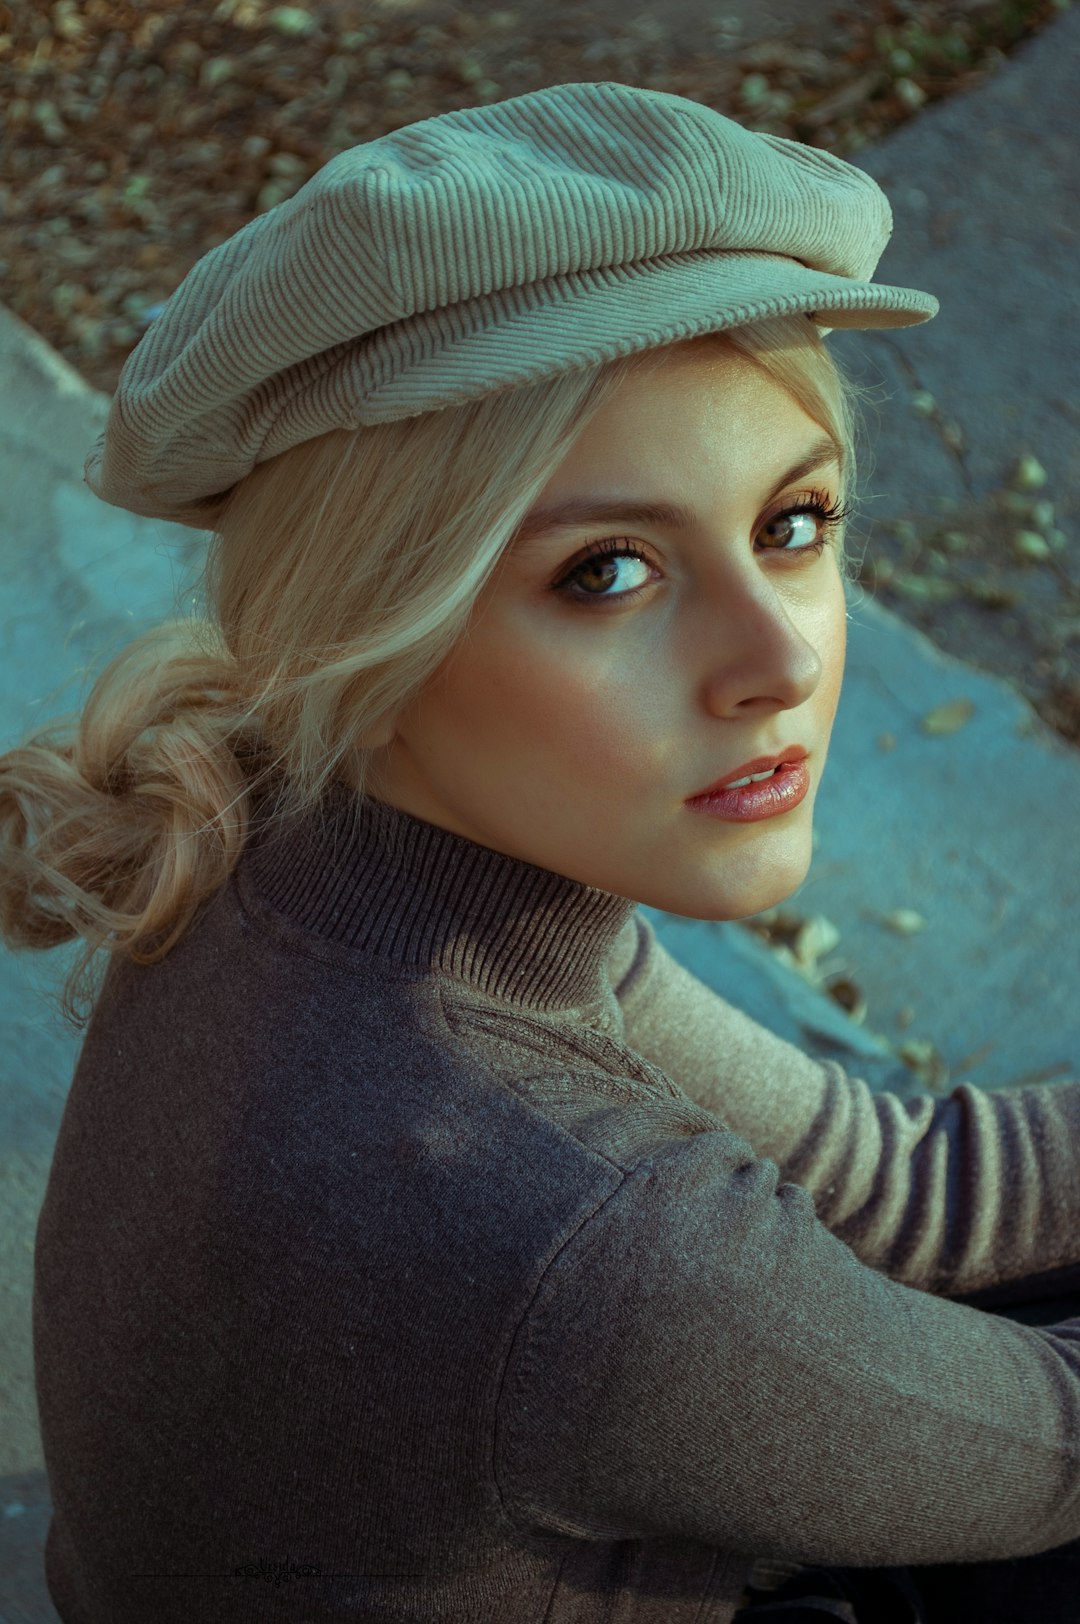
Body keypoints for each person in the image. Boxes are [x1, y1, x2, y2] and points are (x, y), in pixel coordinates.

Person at [4, 79, 1080, 1624]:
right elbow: (1049, 1457)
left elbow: (898, 1188)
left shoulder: (319, 843)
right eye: (611, 571)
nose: (775, 657)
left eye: (794, 523)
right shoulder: (587, 1231)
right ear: (377, 627)